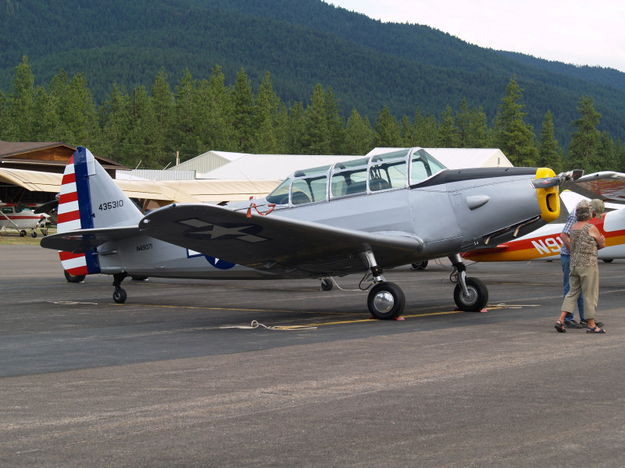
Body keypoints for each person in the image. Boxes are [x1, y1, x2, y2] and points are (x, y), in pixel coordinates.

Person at [555, 200, 606, 333]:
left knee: (572, 293)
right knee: (589, 293)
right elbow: (600, 244)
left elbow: (572, 245)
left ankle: (561, 320)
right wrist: (601, 242)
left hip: (574, 263)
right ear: (589, 213)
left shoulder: (573, 228)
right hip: (587, 265)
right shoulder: (590, 228)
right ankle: (591, 324)